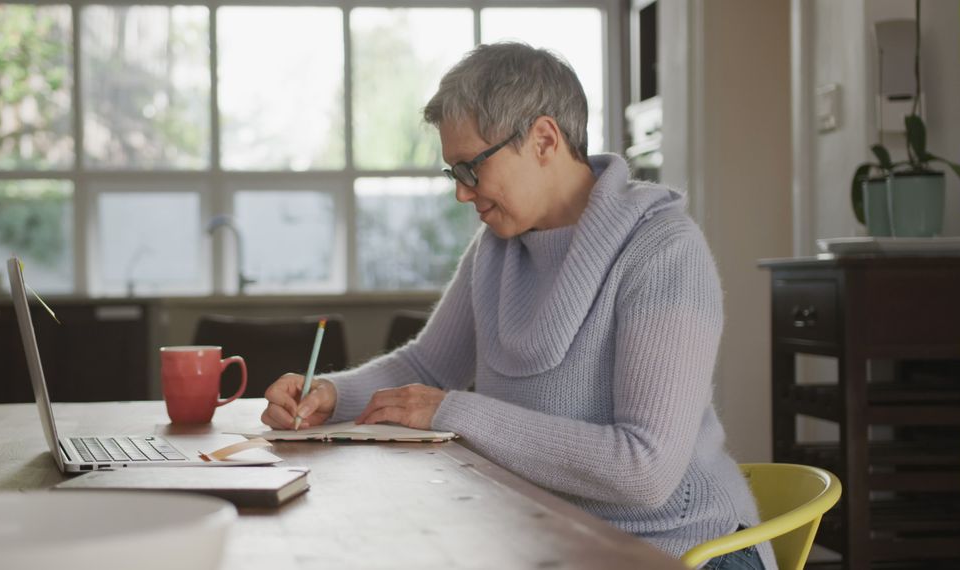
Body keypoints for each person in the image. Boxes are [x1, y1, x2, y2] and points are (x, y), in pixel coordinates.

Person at [260, 41, 774, 570]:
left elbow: (643, 470)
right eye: (453, 173)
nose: (462, 192)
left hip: (680, 547)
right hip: (546, 534)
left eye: (470, 167)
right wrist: (329, 394)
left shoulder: (662, 251)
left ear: (544, 139)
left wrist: (452, 409)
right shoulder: (498, 248)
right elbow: (425, 367)